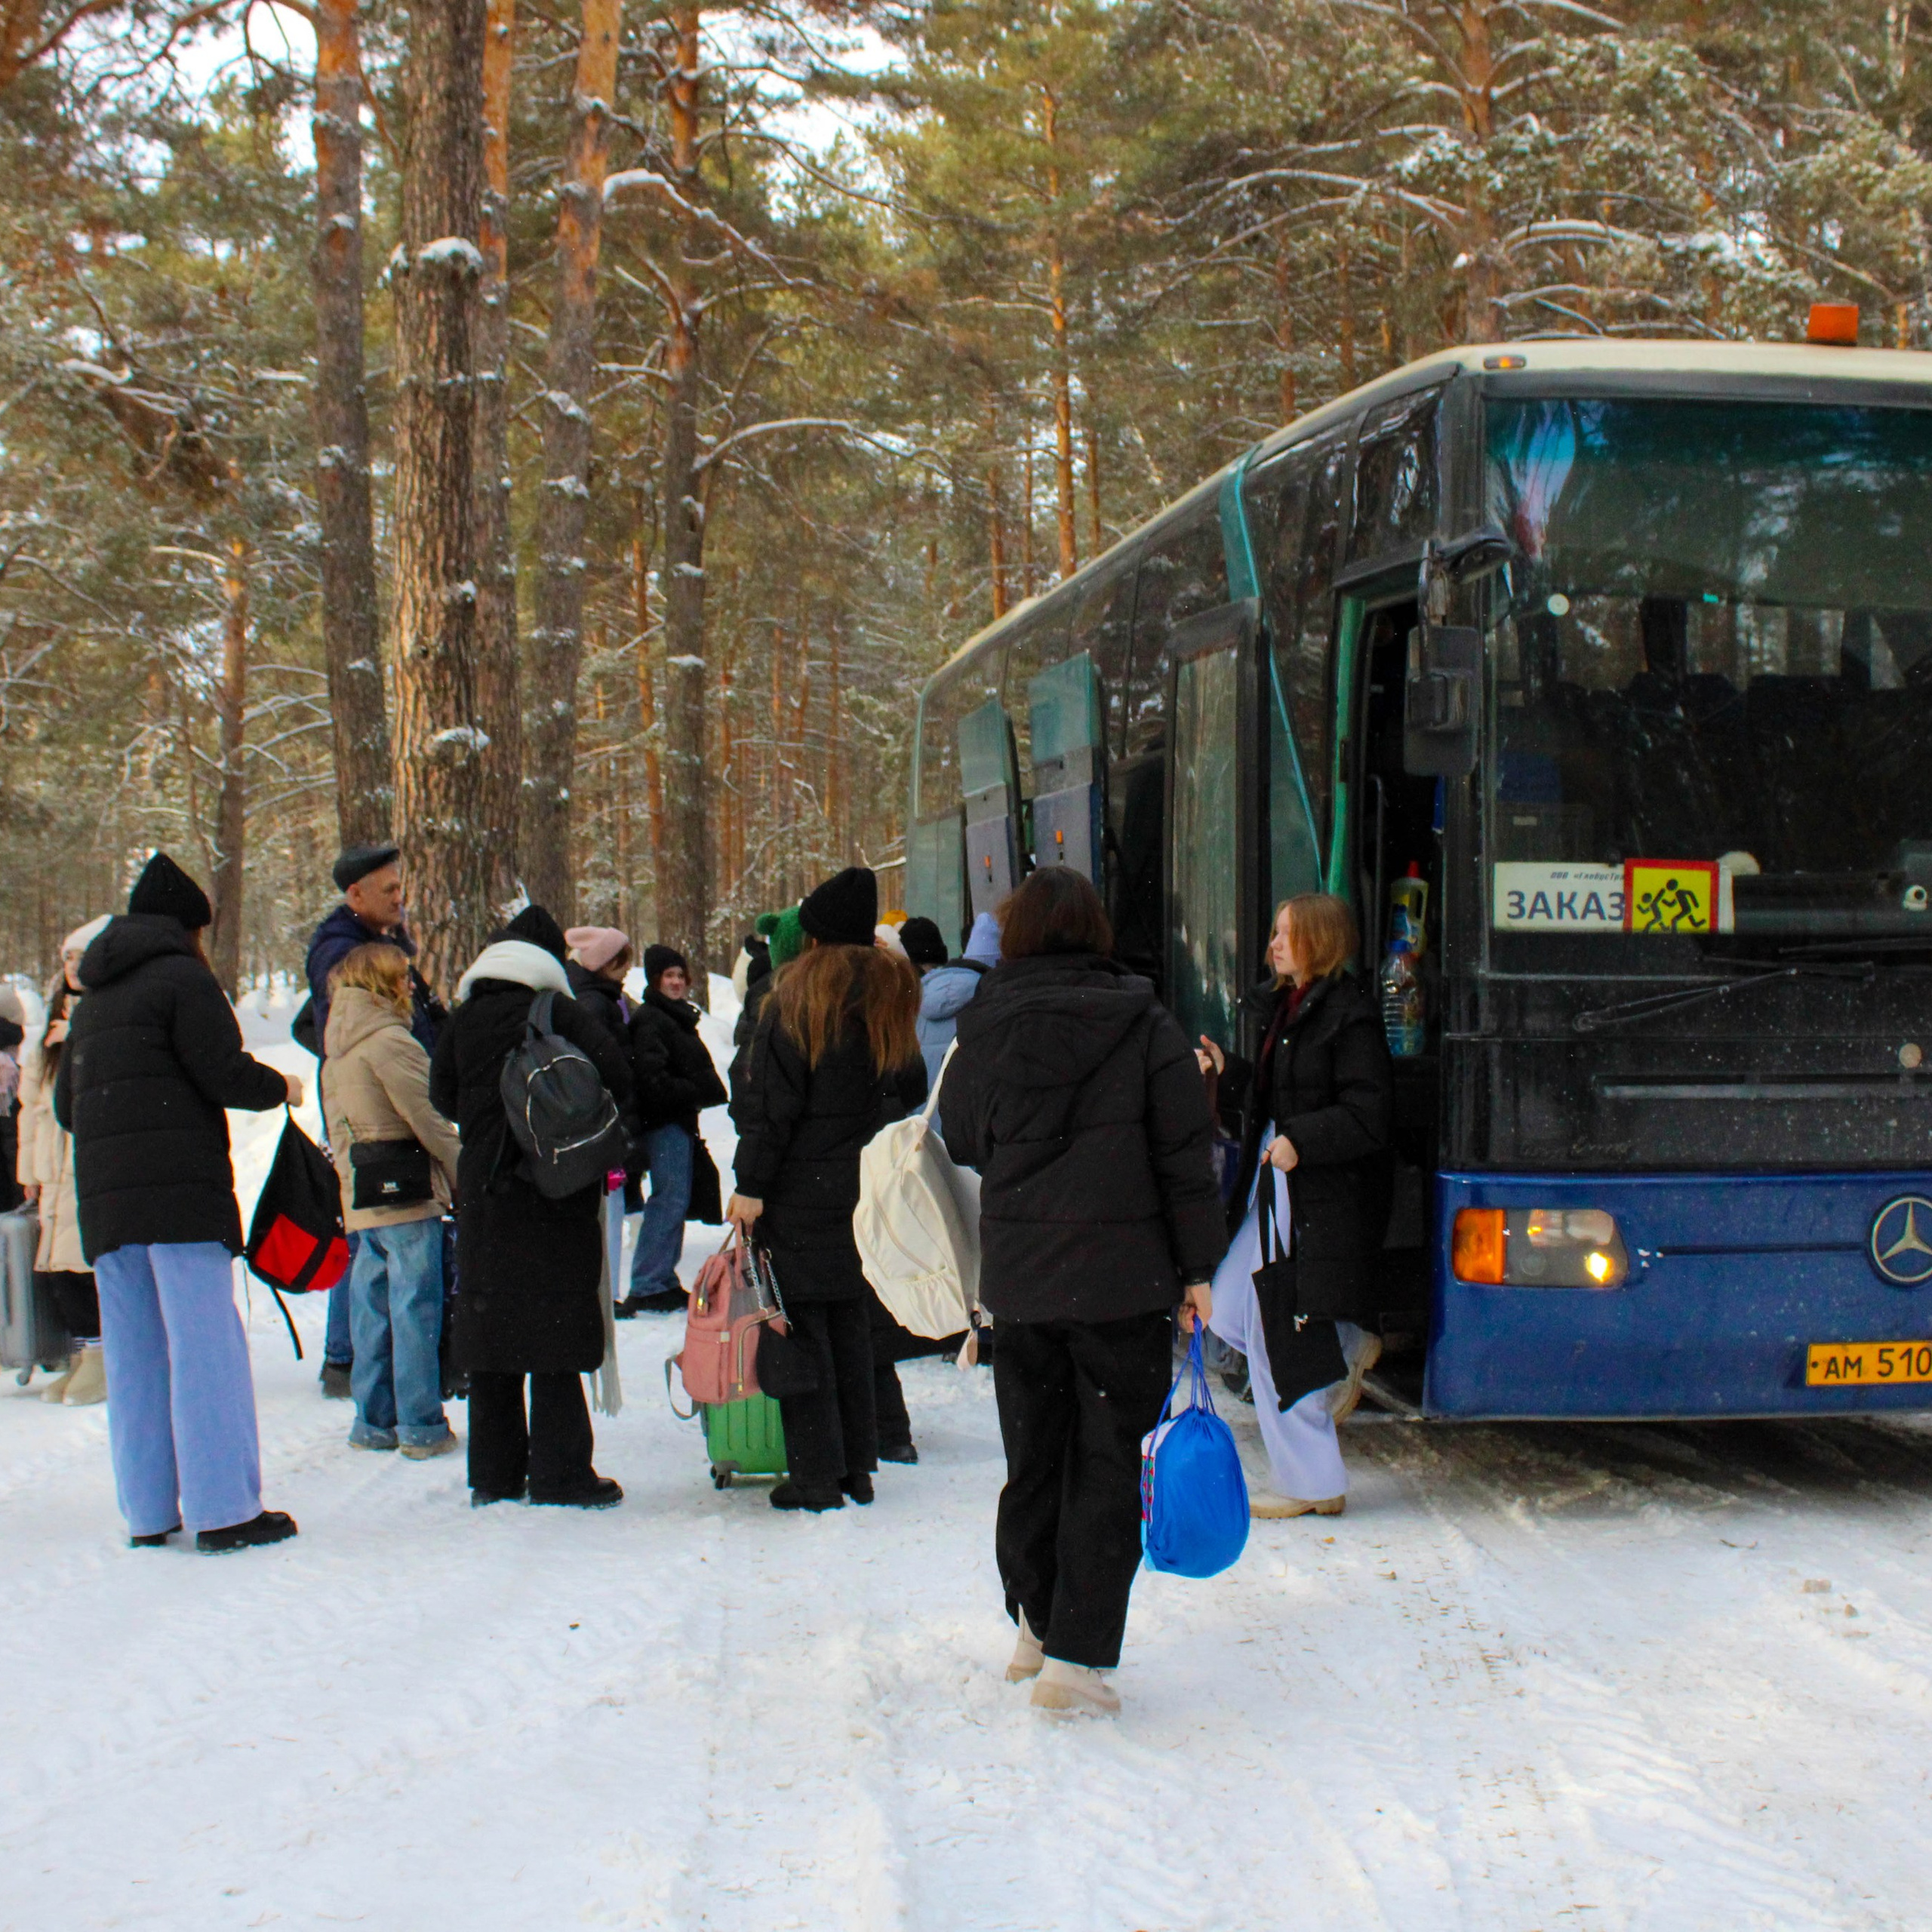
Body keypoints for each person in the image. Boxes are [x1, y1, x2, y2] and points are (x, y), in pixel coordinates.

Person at [940, 867, 1224, 1716]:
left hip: (1023, 1283)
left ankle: (1034, 1622)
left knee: (1032, 1456)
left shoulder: (982, 1024)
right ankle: (1075, 1656)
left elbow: (961, 1135)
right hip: (1122, 1281)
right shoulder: (1144, 1022)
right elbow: (1185, 1155)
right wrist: (1198, 1269)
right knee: (1104, 1465)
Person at [54, 853, 301, 1552]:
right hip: (182, 1199)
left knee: (135, 1359)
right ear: (188, 927)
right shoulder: (183, 978)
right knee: (204, 1351)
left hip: (108, 1208)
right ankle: (225, 1511)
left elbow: (65, 1107)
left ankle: (149, 1511)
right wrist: (280, 1086)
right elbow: (221, 1070)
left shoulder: (93, 1000)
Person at [728, 866, 926, 1512]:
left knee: (802, 1329)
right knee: (851, 1326)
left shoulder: (792, 1000)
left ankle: (816, 1476)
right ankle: (857, 1469)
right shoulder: (892, 998)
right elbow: (911, 1090)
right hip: (865, 1191)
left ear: (811, 939)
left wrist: (752, 1185)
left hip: (798, 1188)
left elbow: (769, 1105)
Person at [429, 903, 633, 1509]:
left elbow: (442, 1095)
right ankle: (560, 1472)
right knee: (556, 1324)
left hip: (486, 1192)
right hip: (554, 1187)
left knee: (492, 1330)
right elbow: (619, 1076)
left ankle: (493, 1474)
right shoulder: (556, 1009)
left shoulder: (465, 1017)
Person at [1203, 892, 1393, 1520]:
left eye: (1287, 934)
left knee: (1271, 1327)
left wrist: (1300, 1143)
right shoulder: (1287, 1008)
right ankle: (1344, 1343)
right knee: (1233, 1310)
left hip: (1317, 1197)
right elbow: (1274, 1098)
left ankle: (1311, 1482)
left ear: (1321, 941)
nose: (1273, 945)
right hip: (1280, 1191)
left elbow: (1369, 1117)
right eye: (1275, 932)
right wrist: (1228, 1072)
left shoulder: (1349, 1016)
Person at [306, 844, 446, 1401]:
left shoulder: (378, 941)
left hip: (378, 1093)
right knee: (375, 1232)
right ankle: (349, 1359)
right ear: (354, 894)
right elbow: (341, 1025)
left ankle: (356, 1363)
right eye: (387, 889)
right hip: (374, 1107)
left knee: (373, 1229)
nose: (399, 897)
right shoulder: (343, 951)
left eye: (399, 886)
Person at [325, 943, 463, 1459]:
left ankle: (373, 1420)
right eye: (403, 978)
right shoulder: (390, 1041)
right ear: (384, 983)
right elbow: (427, 1119)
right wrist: (462, 1172)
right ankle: (421, 1424)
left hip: (364, 1191)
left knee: (372, 1310)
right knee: (414, 1308)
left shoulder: (337, 1045)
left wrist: (348, 1192)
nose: (411, 987)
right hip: (408, 1191)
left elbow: (338, 1130)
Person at [16, 915, 110, 1404]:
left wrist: (76, 1038)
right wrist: (28, 1175)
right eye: (67, 958)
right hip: (54, 1167)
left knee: (84, 1264)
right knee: (55, 1269)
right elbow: (30, 1107)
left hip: (87, 1161)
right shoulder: (51, 1027)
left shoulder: (105, 1014)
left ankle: (101, 1358)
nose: (74, 967)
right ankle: (81, 1354)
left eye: (81, 956)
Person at [620, 944, 726, 1315]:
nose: (677, 982)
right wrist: (698, 1091)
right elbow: (653, 1080)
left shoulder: (673, 1016)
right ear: (655, 980)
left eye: (681, 976)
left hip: (676, 1121)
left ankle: (660, 1279)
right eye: (669, 976)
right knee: (669, 1200)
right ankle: (650, 1282)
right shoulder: (653, 1019)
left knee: (674, 1199)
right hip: (663, 1122)